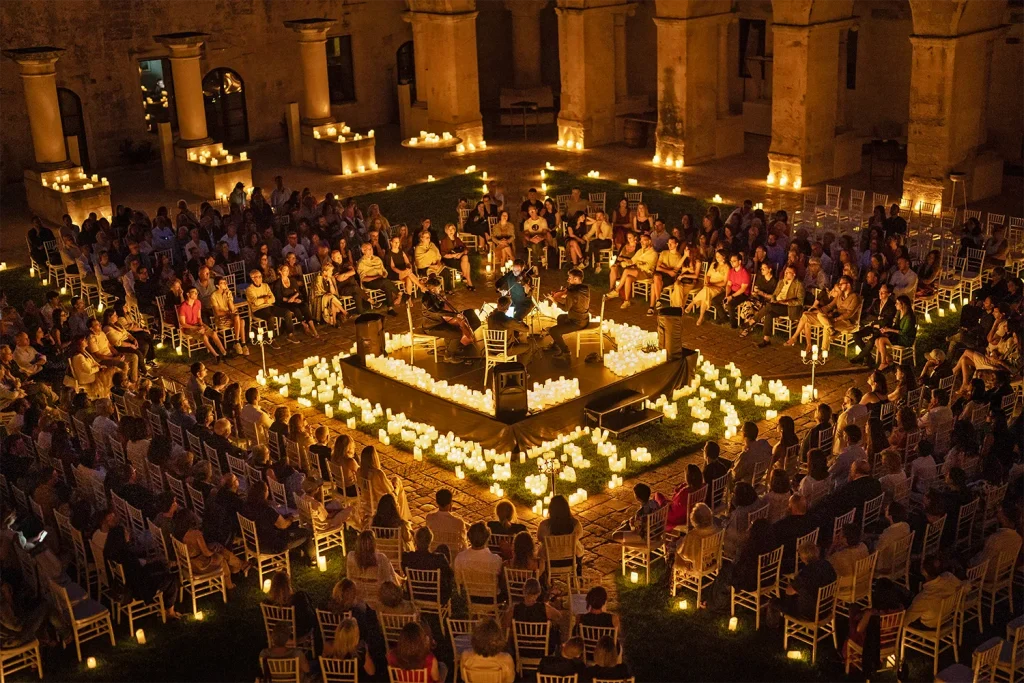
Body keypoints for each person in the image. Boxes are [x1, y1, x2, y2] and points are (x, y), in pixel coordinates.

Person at [773, 542, 838, 620]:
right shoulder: (827, 565)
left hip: (809, 614)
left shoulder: (805, 573)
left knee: (773, 603)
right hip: (827, 609)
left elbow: (789, 591)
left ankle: (773, 627)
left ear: (803, 558)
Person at [421, 274, 473, 364]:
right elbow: (437, 312)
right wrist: (454, 315)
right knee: (457, 334)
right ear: (433, 289)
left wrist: (442, 299)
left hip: (438, 323)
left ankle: (449, 350)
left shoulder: (433, 296)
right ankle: (448, 356)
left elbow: (441, 307)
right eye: (438, 288)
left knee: (454, 330)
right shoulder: (427, 299)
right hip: (431, 326)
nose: (440, 289)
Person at [401, 526, 454, 605]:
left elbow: (404, 571)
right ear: (430, 541)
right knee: (443, 548)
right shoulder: (439, 559)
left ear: (416, 540)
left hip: (415, 594)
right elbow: (450, 574)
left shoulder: (407, 558)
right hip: (437, 596)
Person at [904, 557, 962, 628]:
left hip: (931, 624)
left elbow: (906, 619)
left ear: (924, 571)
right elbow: (964, 586)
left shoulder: (924, 597)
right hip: (947, 616)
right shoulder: (949, 577)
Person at [546, 268, 590, 360]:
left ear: (576, 279)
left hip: (577, 322)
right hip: (584, 318)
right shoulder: (585, 289)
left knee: (553, 331)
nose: (568, 279)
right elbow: (576, 298)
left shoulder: (572, 292)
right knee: (560, 318)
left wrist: (554, 300)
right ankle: (556, 343)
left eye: (570, 277)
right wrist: (565, 295)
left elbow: (565, 308)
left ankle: (566, 351)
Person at [246, 269, 298, 344]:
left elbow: (273, 299)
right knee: (270, 318)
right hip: (258, 310)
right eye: (258, 277)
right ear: (253, 278)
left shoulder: (265, 286)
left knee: (287, 312)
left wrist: (262, 299)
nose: (260, 278)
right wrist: (266, 298)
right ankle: (272, 339)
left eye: (261, 276)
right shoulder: (249, 289)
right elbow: (256, 303)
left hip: (269, 306)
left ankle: (290, 334)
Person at [537, 495, 584, 576]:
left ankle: (545, 580)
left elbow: (539, 538)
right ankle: (577, 575)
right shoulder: (576, 524)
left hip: (550, 562)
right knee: (579, 551)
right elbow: (580, 535)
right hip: (570, 561)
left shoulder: (543, 526)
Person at [460, 617, 515, 683]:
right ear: (499, 639)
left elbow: (463, 677)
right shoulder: (506, 659)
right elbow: (510, 680)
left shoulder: (466, 656)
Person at [487, 296, 538, 367]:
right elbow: (526, 329)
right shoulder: (509, 321)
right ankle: (521, 368)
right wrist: (519, 321)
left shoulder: (490, 318)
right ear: (508, 308)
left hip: (492, 349)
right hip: (506, 350)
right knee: (528, 347)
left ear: (497, 305)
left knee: (515, 335)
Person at [686, 249, 728, 325]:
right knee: (706, 292)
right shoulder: (713, 264)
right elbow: (708, 275)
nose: (717, 257)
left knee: (706, 291)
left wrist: (713, 285)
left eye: (719, 256)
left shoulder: (727, 267)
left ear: (724, 256)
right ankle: (701, 317)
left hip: (718, 287)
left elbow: (724, 283)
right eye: (716, 256)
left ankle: (693, 303)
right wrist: (707, 282)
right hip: (709, 286)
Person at [424, 488, 467, 553]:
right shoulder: (459, 522)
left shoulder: (429, 518)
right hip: (452, 558)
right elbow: (463, 544)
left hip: (434, 556)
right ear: (450, 502)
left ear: (437, 502)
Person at [733, 421, 772, 485]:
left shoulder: (745, 456)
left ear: (744, 434)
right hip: (759, 479)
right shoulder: (764, 444)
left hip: (747, 484)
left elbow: (735, 475)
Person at [439, 223, 475, 291]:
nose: (451, 231)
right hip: (449, 260)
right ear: (446, 231)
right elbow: (443, 254)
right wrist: (454, 255)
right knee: (467, 264)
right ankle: (468, 282)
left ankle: (464, 277)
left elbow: (465, 249)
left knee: (465, 257)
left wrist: (460, 254)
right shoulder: (444, 241)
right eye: (449, 229)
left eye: (452, 229)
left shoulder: (457, 239)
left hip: (459, 258)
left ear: (455, 230)